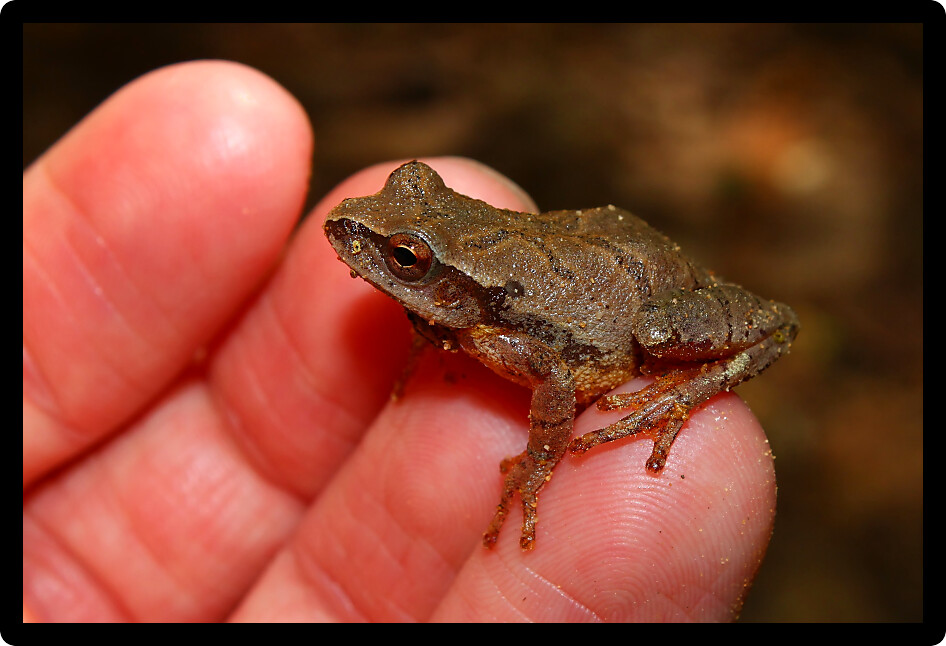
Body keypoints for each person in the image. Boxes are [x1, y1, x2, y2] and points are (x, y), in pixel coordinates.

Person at [23, 60, 777, 622]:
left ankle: (710, 376)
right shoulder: (463, 311)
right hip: (574, 260)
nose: (358, 233)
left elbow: (552, 372)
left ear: (446, 282)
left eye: (403, 259)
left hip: (626, 308)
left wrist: (541, 461)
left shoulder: (501, 332)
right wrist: (431, 323)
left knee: (654, 333)